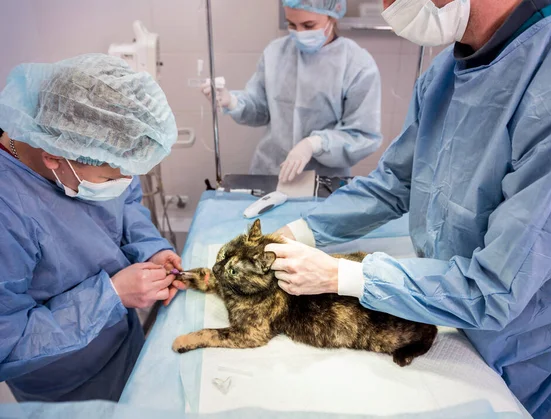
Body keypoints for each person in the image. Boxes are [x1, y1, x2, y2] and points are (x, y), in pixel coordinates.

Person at [266, 0, 551, 417]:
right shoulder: (446, 72)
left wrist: (342, 275)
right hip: (442, 304)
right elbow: (396, 182)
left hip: (525, 335)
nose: (388, 6)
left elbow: (497, 287)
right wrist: (301, 232)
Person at [0, 54, 186, 402]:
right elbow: (7, 342)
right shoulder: (8, 211)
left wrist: (151, 248)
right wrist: (110, 296)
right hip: (67, 384)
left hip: (122, 338)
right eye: (112, 176)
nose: (127, 182)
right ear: (55, 157)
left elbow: (125, 203)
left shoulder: (88, 150)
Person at [201, 0, 382, 183]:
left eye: (308, 25)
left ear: (332, 16)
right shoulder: (276, 53)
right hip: (270, 172)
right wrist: (232, 101)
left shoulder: (358, 65)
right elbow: (261, 110)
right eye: (292, 25)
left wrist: (314, 144)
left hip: (324, 181)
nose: (299, 33)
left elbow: (362, 135)